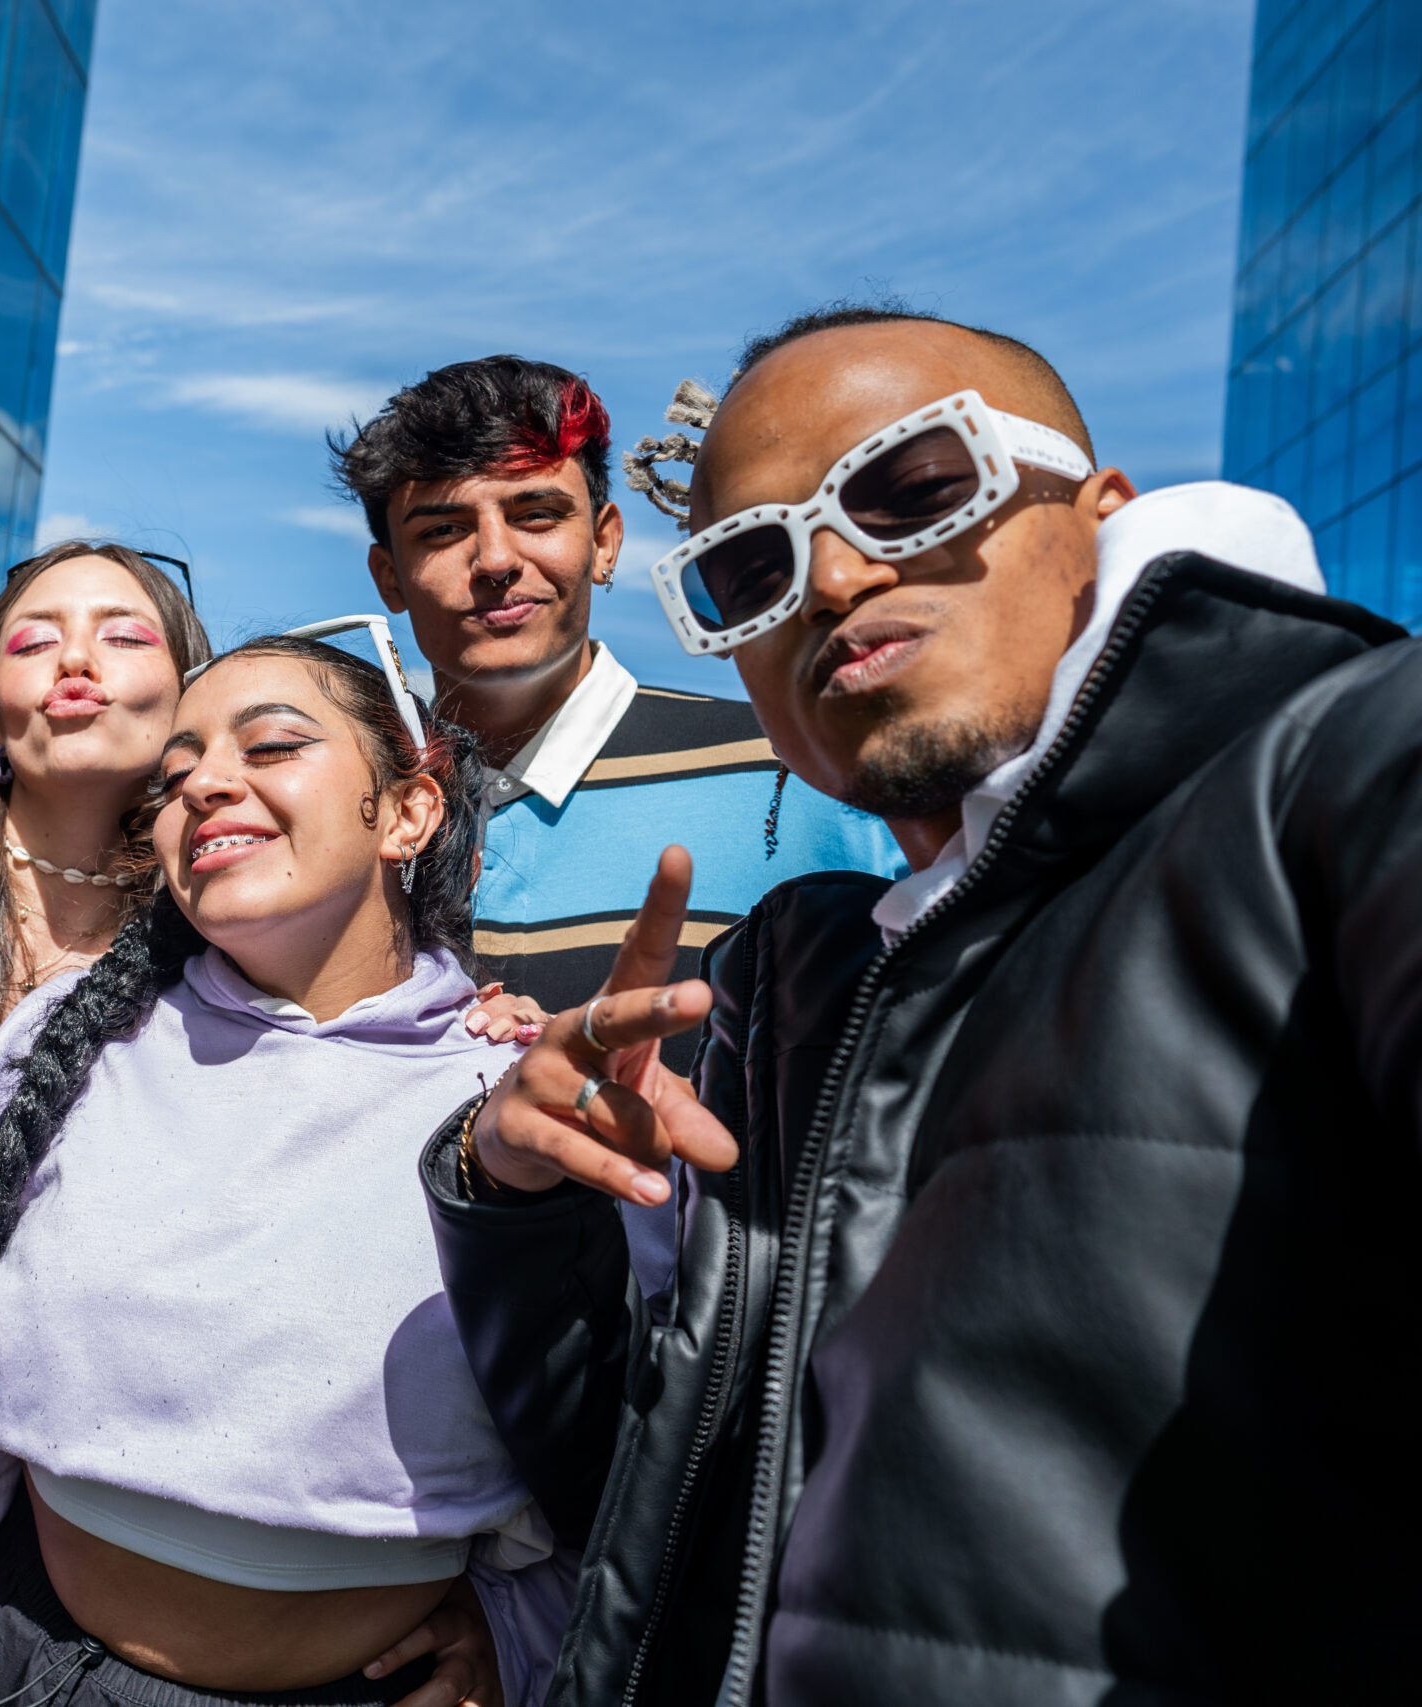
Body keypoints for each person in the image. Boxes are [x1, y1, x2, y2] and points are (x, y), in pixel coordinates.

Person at [429, 307, 1422, 1704]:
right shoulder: (803, 978)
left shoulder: (1351, 764)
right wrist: (516, 1190)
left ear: (1101, 512)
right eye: (749, 567)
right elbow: (655, 1516)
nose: (832, 576)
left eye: (910, 487)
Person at [0, 631, 580, 1707]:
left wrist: (521, 1637)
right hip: (27, 1671)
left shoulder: (515, 1095)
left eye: (272, 747)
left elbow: (621, 1436)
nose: (206, 784)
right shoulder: (68, 1046)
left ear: (407, 813)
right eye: (174, 777)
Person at [331, 355, 904, 1298]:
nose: (496, 559)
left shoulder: (799, 776)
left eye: (536, 514)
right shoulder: (331, 820)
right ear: (388, 575)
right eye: (443, 529)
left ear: (604, 542)